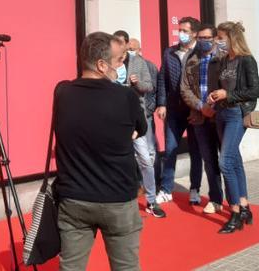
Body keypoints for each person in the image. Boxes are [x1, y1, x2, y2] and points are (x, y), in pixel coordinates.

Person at [54, 32, 147, 271]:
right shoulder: (126, 96)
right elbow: (142, 127)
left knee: (70, 268)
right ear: (102, 65)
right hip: (118, 200)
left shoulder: (62, 93)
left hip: (74, 199)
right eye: (119, 61)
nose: (121, 66)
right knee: (127, 267)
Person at [206, 21, 259, 234]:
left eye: (220, 38)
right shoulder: (223, 61)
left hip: (237, 114)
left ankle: (235, 212)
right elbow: (221, 86)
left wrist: (228, 94)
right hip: (221, 114)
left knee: (225, 161)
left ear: (232, 38)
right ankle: (245, 207)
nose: (217, 41)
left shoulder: (246, 60)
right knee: (234, 160)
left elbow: (254, 90)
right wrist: (215, 95)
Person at [114, 31, 164, 218]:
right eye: (115, 42)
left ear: (127, 44)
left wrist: (136, 84)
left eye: (121, 43)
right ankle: (119, 202)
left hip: (135, 118)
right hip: (114, 119)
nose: (119, 46)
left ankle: (151, 201)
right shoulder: (108, 61)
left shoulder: (138, 62)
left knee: (145, 159)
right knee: (117, 161)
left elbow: (149, 86)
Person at [156, 17, 203, 205]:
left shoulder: (201, 52)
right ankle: (166, 189)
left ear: (194, 33)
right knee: (170, 150)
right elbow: (162, 79)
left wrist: (200, 107)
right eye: (179, 29)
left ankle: (195, 189)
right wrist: (162, 103)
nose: (180, 33)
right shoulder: (170, 52)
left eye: (185, 30)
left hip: (195, 110)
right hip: (174, 110)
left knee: (196, 151)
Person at [180, 23, 225, 214]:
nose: (203, 41)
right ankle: (215, 199)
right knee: (209, 161)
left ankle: (236, 201)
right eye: (200, 38)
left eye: (207, 38)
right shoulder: (191, 59)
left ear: (214, 38)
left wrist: (215, 107)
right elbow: (185, 88)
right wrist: (201, 107)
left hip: (221, 116)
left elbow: (230, 86)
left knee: (228, 161)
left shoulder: (223, 58)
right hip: (200, 117)